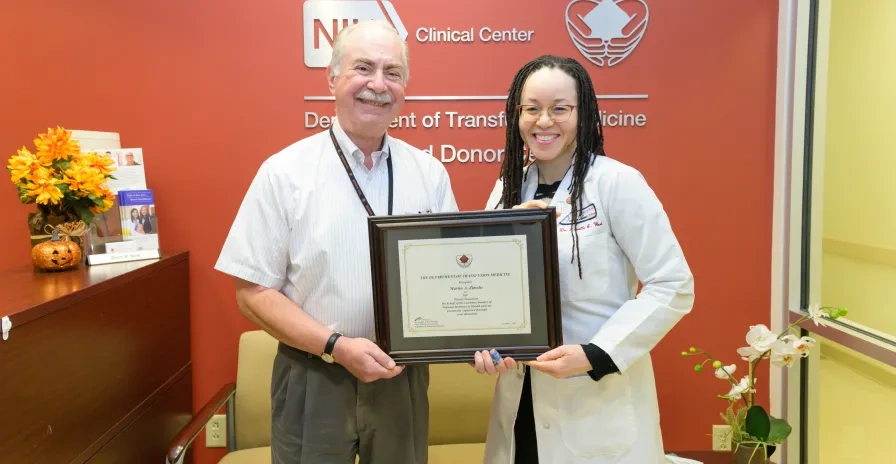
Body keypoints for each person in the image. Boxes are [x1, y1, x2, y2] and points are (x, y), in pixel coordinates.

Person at [215, 20, 458, 464]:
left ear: (405, 86)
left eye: (393, 72)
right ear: (332, 78)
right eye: (363, 67)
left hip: (399, 375)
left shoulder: (429, 175)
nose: (378, 85)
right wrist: (336, 346)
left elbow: (452, 278)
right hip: (314, 372)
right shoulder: (284, 173)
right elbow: (252, 292)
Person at [473, 55, 695, 463]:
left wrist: (597, 354)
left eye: (560, 108)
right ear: (516, 115)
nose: (544, 121)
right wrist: (485, 342)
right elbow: (494, 288)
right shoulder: (506, 190)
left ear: (584, 113)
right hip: (520, 398)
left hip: (596, 396)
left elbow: (673, 284)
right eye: (532, 108)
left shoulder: (616, 183)